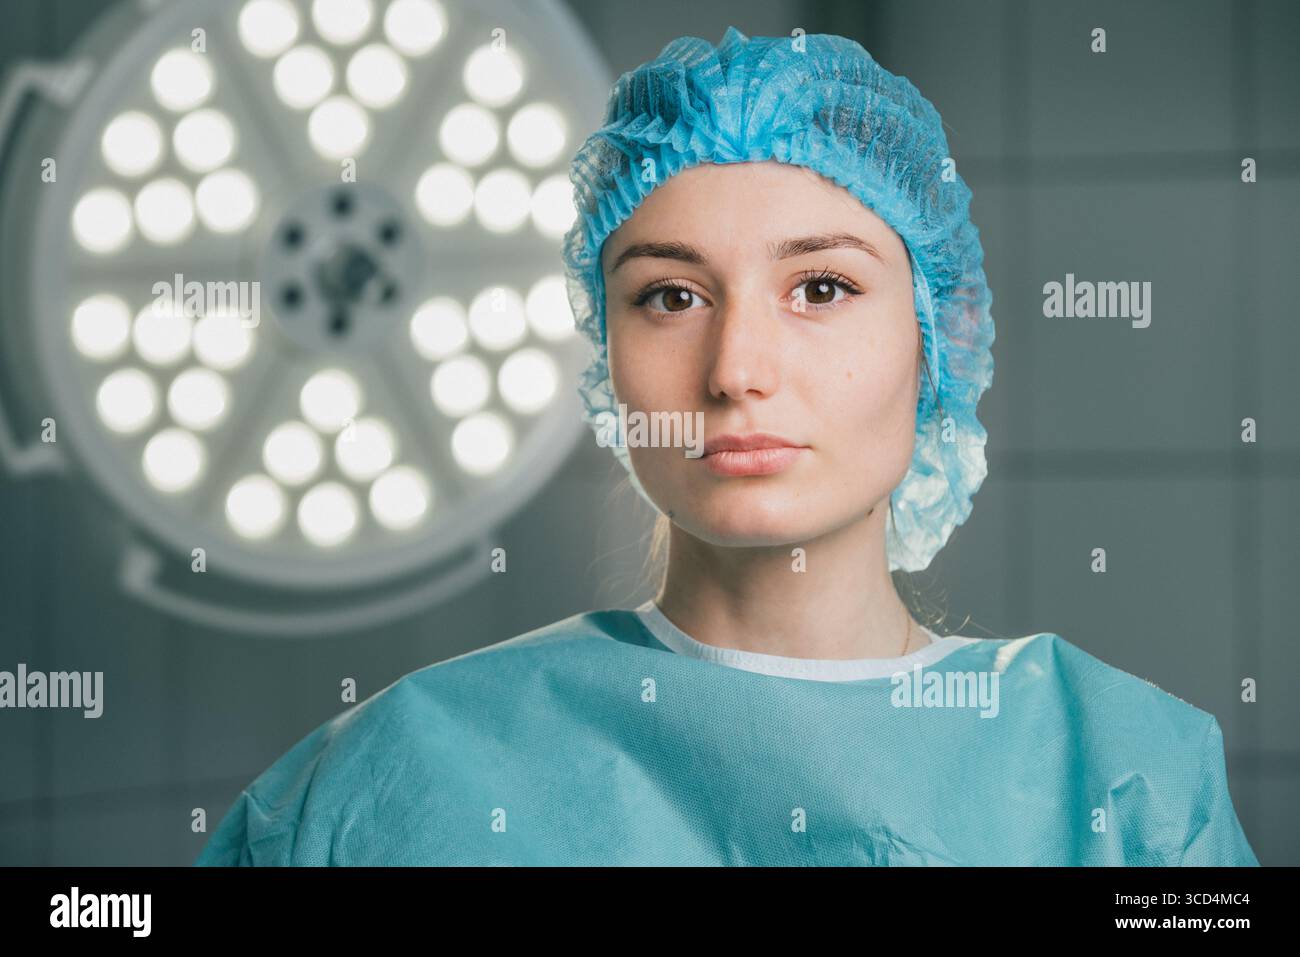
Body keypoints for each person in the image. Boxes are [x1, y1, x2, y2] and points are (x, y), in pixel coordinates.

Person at [194, 27, 1258, 866]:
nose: (736, 368)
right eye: (670, 295)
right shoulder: (393, 775)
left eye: (822, 288)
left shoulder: (1121, 781)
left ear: (941, 339)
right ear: (604, 353)